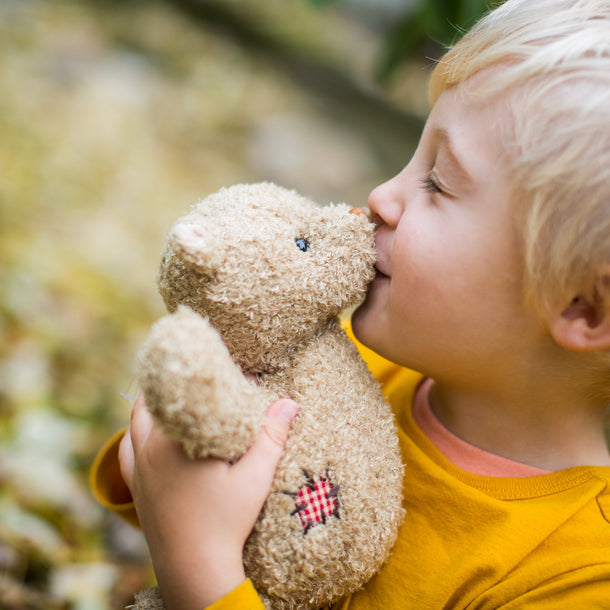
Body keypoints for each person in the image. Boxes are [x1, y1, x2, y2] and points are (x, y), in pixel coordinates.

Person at [90, 0, 610, 607]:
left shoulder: (573, 576)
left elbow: (192, 546)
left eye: (438, 182)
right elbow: (161, 498)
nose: (381, 195)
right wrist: (177, 436)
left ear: (583, 308)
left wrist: (197, 564)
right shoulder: (353, 367)